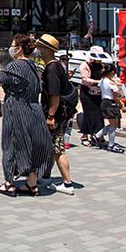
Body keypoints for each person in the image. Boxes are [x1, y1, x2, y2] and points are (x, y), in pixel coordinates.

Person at [0, 34, 51, 196]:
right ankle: (32, 184)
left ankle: (8, 183)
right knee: (31, 144)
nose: (10, 49)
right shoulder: (33, 66)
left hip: (17, 108)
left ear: (18, 49)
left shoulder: (14, 66)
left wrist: (1, 64)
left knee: (10, 143)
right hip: (34, 109)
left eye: (12, 45)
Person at [34, 34, 78, 193]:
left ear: (46, 49)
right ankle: (45, 176)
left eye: (39, 46)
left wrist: (51, 116)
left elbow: (55, 95)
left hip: (57, 114)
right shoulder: (56, 65)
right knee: (52, 146)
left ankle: (67, 183)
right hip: (62, 112)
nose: (37, 49)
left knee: (58, 148)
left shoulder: (52, 69)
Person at [92, 64, 126, 154]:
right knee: (113, 125)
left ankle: (97, 136)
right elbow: (115, 95)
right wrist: (121, 104)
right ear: (112, 72)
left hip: (104, 102)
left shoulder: (102, 80)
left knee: (113, 124)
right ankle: (111, 144)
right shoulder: (111, 82)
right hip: (110, 103)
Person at [78, 46, 109, 146]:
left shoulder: (101, 65)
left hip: (99, 93)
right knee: (88, 114)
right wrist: (98, 82)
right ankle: (85, 135)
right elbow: (85, 79)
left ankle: (99, 136)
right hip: (87, 92)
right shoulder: (85, 65)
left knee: (99, 114)